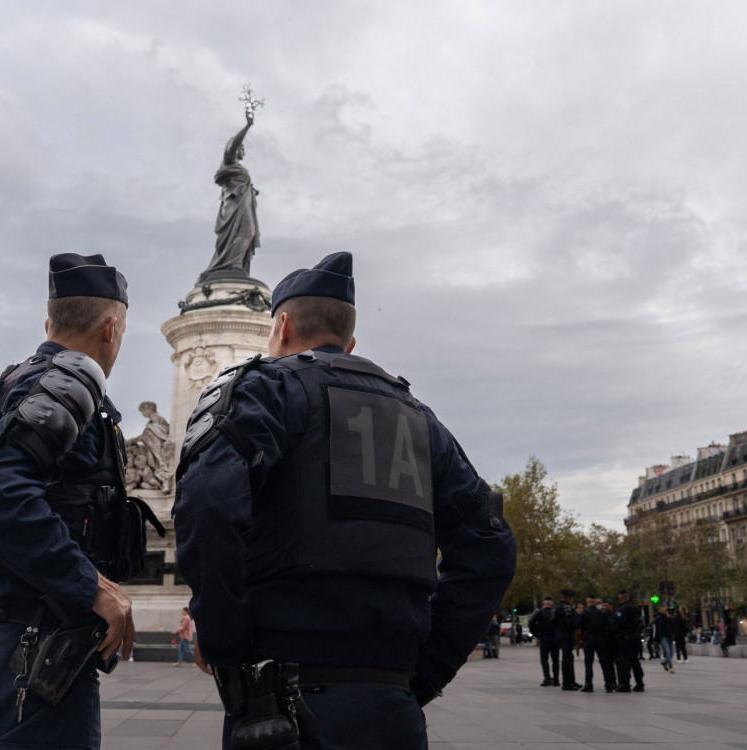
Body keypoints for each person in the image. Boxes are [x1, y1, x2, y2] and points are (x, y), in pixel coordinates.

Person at [174, 251, 517, 750]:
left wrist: (225, 640)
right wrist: (425, 669)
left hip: (282, 706)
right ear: (350, 342)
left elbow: (206, 499)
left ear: (282, 326)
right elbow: (491, 547)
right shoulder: (421, 420)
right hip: (393, 705)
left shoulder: (268, 389)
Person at [0, 253, 136, 750]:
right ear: (112, 328)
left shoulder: (17, 380)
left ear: (50, 321)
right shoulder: (69, 383)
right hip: (32, 654)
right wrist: (94, 588)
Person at [200, 111, 260, 282]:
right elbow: (233, 144)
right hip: (233, 205)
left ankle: (236, 264)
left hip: (244, 203)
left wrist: (253, 192)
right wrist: (248, 125)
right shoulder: (228, 161)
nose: (244, 152)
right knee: (245, 232)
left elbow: (242, 185)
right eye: (242, 148)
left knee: (248, 232)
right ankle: (231, 265)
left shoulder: (238, 167)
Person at [576, 595, 615, 693]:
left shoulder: (585, 613)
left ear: (587, 603)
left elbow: (577, 625)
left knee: (588, 663)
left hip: (589, 639)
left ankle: (589, 684)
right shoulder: (602, 613)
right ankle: (608, 684)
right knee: (604, 662)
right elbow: (610, 624)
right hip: (601, 639)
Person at [613, 590, 645, 693]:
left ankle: (625, 684)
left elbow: (618, 622)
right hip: (635, 636)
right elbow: (640, 623)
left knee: (625, 661)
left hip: (626, 638)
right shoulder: (635, 608)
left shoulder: (622, 609)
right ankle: (640, 683)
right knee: (635, 661)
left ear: (621, 598)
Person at [528, 597, 559, 686]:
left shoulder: (539, 612)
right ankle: (556, 679)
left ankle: (547, 678)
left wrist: (536, 633)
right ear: (551, 604)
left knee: (544, 658)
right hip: (555, 638)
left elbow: (531, 622)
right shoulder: (555, 612)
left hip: (544, 637)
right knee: (555, 659)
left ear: (543, 603)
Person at [554, 588, 581, 690]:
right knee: (567, 659)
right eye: (571, 598)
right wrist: (577, 614)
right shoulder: (565, 607)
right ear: (568, 598)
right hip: (566, 635)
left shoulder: (558, 606)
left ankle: (571, 681)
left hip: (561, 634)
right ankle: (567, 683)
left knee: (569, 658)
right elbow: (570, 622)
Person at [657, 608, 675, 673]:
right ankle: (671, 668)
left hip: (670, 637)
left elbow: (674, 625)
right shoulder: (659, 619)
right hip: (663, 637)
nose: (663, 612)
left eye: (664, 610)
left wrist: (669, 618)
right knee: (667, 652)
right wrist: (656, 639)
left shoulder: (670, 618)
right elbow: (657, 629)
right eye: (662, 610)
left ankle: (665, 663)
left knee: (671, 653)